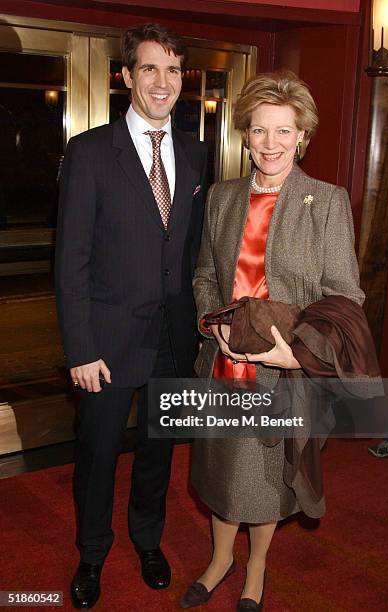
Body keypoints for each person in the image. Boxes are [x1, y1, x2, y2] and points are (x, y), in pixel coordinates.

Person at [180, 71, 365, 611]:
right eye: (260, 130)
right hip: (222, 365)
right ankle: (220, 560)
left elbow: (343, 297)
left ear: (301, 135)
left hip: (284, 371)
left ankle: (256, 566)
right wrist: (212, 324)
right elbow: (204, 277)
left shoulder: (326, 202)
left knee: (263, 482)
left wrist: (296, 353)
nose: (271, 144)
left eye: (284, 131)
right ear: (245, 134)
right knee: (218, 472)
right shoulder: (221, 196)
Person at [55, 23, 207, 610]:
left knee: (158, 452)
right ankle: (91, 553)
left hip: (172, 339)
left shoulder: (195, 153)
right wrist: (80, 349)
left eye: (172, 70)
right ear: (126, 77)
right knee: (96, 457)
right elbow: (71, 263)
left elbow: (192, 252)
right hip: (106, 343)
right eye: (149, 68)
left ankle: (148, 539)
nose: (162, 82)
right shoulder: (90, 152)